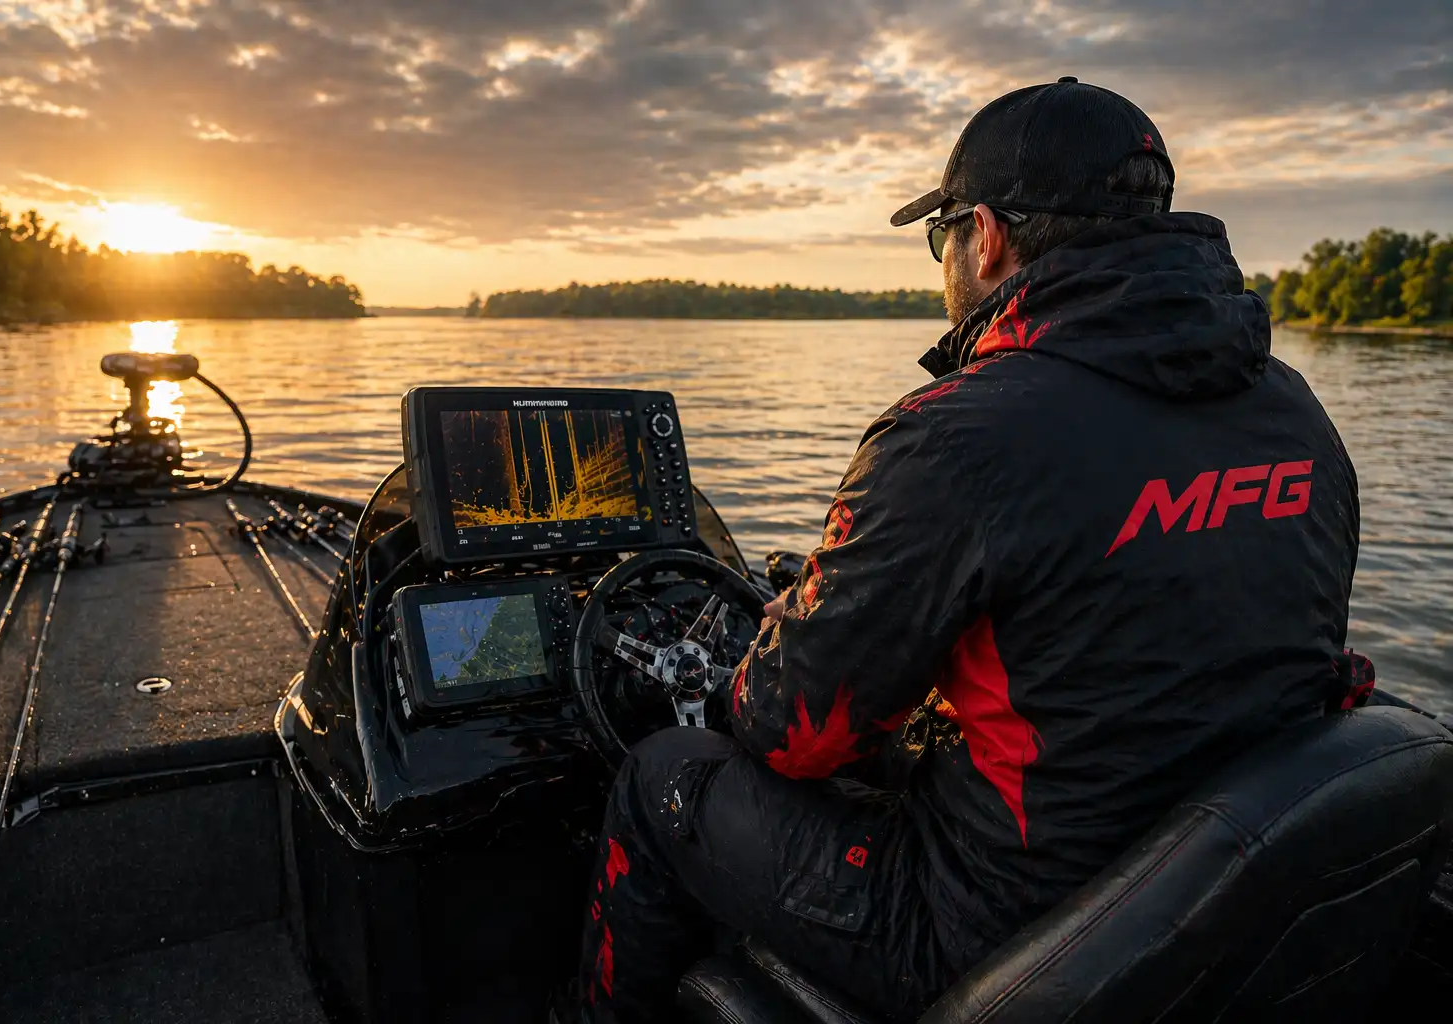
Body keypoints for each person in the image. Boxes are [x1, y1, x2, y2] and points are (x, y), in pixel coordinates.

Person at [571, 78, 1364, 1022]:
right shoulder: (1295, 412)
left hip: (1004, 934)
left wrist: (776, 644)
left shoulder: (956, 438)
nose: (945, 259)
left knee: (662, 778)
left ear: (984, 238)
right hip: (1200, 910)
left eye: (942, 234)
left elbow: (792, 732)